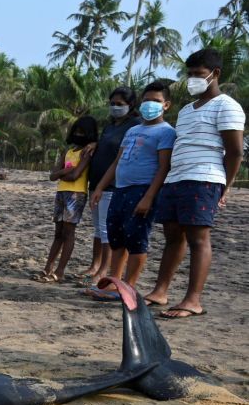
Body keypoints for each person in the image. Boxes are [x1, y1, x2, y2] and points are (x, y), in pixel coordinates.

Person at [145, 48, 245, 318]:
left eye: (198, 74)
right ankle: (160, 291)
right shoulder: (188, 109)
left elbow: (235, 152)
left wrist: (225, 186)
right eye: (189, 74)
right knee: (172, 236)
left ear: (215, 74)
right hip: (177, 177)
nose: (192, 79)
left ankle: (193, 300)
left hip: (205, 178)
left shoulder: (227, 106)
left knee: (198, 238)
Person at [87, 82, 175, 300]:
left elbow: (164, 167)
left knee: (136, 239)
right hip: (120, 189)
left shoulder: (166, 132)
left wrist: (148, 197)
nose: (150, 105)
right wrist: (99, 187)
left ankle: (129, 286)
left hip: (142, 190)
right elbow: (117, 162)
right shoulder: (132, 130)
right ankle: (114, 282)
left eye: (156, 101)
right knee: (117, 238)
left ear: (166, 105)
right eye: (146, 100)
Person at [79, 87, 140, 286]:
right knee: (97, 229)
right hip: (96, 182)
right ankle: (95, 265)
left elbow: (121, 157)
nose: (115, 107)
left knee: (107, 230)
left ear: (130, 105)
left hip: (112, 185)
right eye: (112, 103)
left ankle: (105, 269)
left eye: (120, 104)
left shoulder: (134, 126)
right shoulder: (110, 126)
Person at [33, 116, 98, 283]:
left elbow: (75, 175)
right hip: (62, 193)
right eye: (76, 131)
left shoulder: (87, 152)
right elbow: (53, 175)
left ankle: (60, 270)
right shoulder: (68, 151)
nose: (78, 134)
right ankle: (48, 267)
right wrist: (63, 173)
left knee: (68, 233)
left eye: (82, 132)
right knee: (58, 232)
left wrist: (62, 173)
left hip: (76, 194)